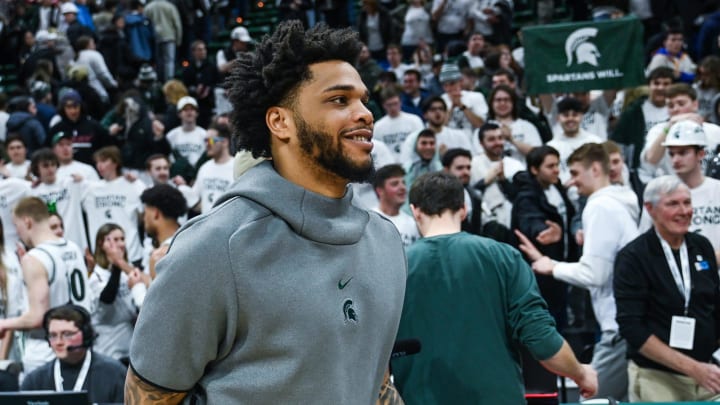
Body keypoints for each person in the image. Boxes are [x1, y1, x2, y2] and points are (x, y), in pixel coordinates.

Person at [125, 21, 407, 404]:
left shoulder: (386, 240)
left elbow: (377, 384)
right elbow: (148, 397)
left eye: (363, 99)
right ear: (280, 122)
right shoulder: (214, 246)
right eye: (340, 100)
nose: (365, 114)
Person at [392, 171, 597, 403]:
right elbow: (541, 338)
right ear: (463, 209)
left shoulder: (394, 267)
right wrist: (580, 374)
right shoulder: (503, 257)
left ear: (415, 210)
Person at [515, 143, 640, 400]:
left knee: (591, 398)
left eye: (574, 173)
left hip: (618, 324)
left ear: (595, 169)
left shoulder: (600, 206)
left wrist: (553, 267)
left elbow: (594, 275)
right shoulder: (621, 202)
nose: (570, 182)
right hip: (627, 320)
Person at [615, 175, 720, 402]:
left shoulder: (701, 246)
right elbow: (632, 329)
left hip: (708, 375)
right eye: (673, 204)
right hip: (658, 380)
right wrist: (693, 368)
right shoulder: (633, 258)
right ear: (650, 209)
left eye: (687, 202)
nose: (684, 211)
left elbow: (715, 306)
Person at [0, 197, 91, 374]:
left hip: (47, 350)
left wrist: (5, 324)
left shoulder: (35, 258)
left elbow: (37, 317)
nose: (18, 232)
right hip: (80, 344)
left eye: (17, 226)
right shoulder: (72, 247)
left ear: (27, 221)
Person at [512, 145, 577, 328]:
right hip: (539, 272)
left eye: (557, 165)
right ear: (534, 169)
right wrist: (544, 231)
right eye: (550, 166)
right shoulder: (526, 195)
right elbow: (529, 219)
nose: (556, 170)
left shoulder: (557, 187)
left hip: (561, 263)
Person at [20, 304, 126, 403]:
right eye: (53, 335)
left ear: (87, 335)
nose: (58, 342)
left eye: (67, 334)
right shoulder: (35, 380)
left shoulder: (115, 374)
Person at [88, 223, 147, 362]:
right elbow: (107, 298)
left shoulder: (126, 270)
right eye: (114, 239)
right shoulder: (97, 276)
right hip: (109, 349)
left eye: (122, 239)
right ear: (101, 243)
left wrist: (120, 264)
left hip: (131, 346)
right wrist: (116, 265)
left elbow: (148, 284)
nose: (120, 243)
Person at [82, 146, 145, 266]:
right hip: (102, 256)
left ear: (115, 162)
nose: (99, 165)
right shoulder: (89, 189)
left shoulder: (132, 184)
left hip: (130, 253)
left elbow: (145, 213)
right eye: (97, 162)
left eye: (104, 161)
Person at [611, 66, 674, 169]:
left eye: (666, 84)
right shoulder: (633, 111)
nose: (660, 88)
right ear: (649, 85)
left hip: (670, 167)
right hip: (640, 170)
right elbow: (618, 143)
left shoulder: (678, 112)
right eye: (656, 83)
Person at [28, 147, 89, 252]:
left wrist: (82, 180)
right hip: (50, 245)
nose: (50, 169)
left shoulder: (71, 183)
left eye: (53, 164)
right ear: (37, 169)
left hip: (75, 242)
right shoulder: (32, 192)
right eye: (45, 166)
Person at [140, 184, 186, 279]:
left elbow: (158, 294)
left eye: (145, 213)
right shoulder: (191, 240)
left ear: (155, 214)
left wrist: (137, 288)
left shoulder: (159, 258)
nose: (144, 219)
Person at [372, 164, 420, 248]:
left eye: (403, 183)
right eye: (395, 184)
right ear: (380, 191)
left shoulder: (413, 223)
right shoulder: (369, 220)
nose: (403, 188)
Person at [191, 122, 234, 214]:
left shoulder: (236, 167)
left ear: (225, 142)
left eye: (211, 140)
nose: (207, 144)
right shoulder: (204, 168)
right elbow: (196, 201)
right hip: (207, 225)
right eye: (205, 140)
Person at [374, 88, 424, 158]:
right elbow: (377, 150)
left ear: (400, 102)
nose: (393, 108)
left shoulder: (414, 120)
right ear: (383, 105)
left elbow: (422, 143)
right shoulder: (378, 126)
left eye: (395, 103)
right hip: (389, 165)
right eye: (389, 105)